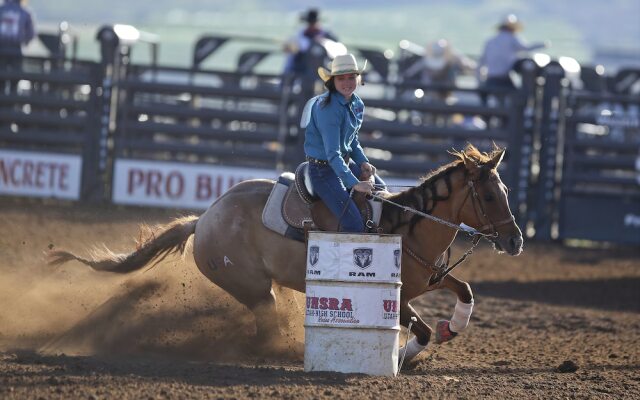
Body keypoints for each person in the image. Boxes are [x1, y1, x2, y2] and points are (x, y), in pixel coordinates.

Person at [303, 53, 382, 233]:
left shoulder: (356, 104)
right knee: (354, 225)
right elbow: (332, 154)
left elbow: (352, 139)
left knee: (380, 192)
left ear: (357, 78)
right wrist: (354, 183)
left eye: (351, 77)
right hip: (323, 171)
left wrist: (363, 162)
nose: (347, 82)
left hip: (342, 164)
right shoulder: (327, 108)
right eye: (341, 78)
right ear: (333, 81)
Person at [477, 14, 547, 94]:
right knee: (519, 95)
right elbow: (526, 48)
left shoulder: (490, 41)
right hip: (504, 79)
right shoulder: (512, 39)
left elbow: (482, 61)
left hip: (490, 79)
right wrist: (542, 45)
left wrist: (480, 81)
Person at [403, 38, 477, 101]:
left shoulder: (454, 58)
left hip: (446, 92)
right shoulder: (426, 61)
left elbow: (469, 65)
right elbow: (411, 71)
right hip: (432, 92)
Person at [283, 8, 338, 77]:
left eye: (313, 22)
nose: (312, 24)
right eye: (310, 22)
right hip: (303, 66)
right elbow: (289, 47)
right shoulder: (301, 34)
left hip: (324, 65)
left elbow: (336, 47)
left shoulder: (327, 34)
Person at [0, 0, 35, 94]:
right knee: (15, 77)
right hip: (16, 48)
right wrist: (24, 41)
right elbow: (31, 34)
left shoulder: (1, 10)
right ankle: (12, 100)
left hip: (1, 49)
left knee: (1, 78)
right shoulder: (24, 12)